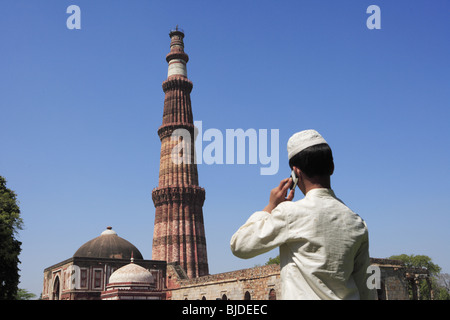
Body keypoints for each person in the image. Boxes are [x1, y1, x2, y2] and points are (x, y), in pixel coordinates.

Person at [230, 129, 376, 300]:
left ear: (296, 172)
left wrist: (270, 206)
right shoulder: (356, 222)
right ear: (332, 167)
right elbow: (365, 287)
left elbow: (239, 245)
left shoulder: (290, 214)